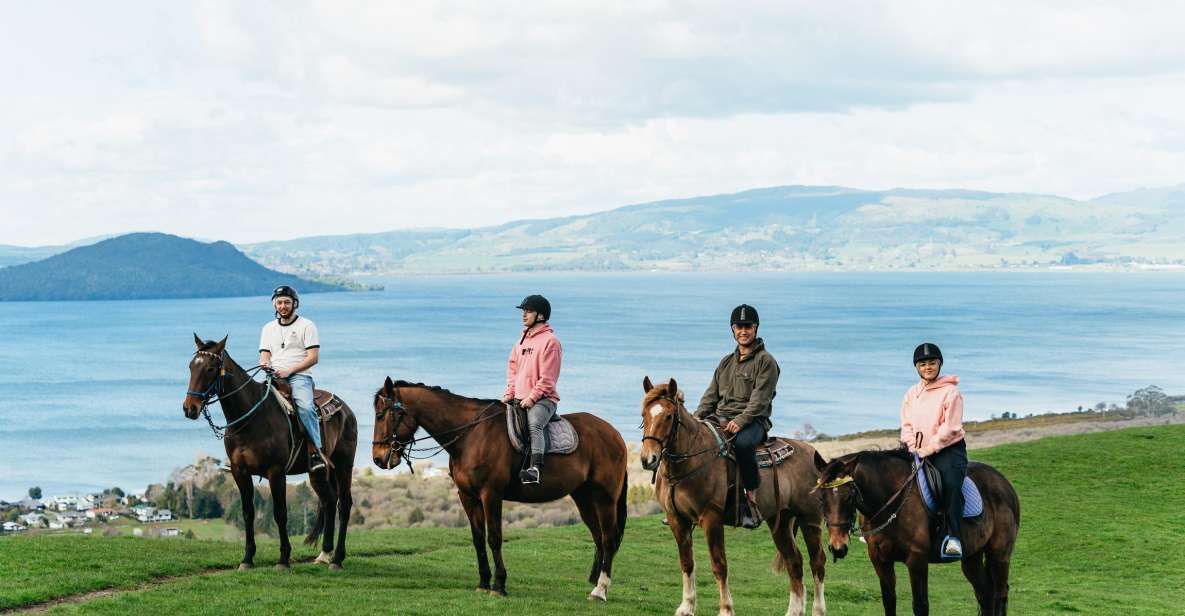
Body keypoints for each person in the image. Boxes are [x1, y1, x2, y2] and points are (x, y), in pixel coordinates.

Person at [694, 304, 779, 529]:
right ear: (732, 330)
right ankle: (690, 503)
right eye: (738, 326)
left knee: (742, 446)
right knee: (693, 442)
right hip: (720, 418)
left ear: (756, 328)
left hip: (754, 421)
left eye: (747, 326)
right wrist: (695, 419)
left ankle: (749, 502)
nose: (743, 331)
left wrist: (740, 421)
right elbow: (710, 396)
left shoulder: (766, 361)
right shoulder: (725, 362)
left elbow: (760, 401)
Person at [900, 342, 967, 560]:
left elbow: (951, 427)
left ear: (939, 364)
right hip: (917, 450)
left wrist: (929, 448)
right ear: (916, 367)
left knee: (950, 485)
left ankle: (954, 537)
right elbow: (906, 424)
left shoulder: (951, 392)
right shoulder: (912, 393)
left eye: (931, 363)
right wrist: (912, 446)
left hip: (948, 451)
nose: (927, 367)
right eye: (922, 364)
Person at [259, 285, 325, 473]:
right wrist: (265, 365)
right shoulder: (268, 328)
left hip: (299, 376)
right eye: (279, 302)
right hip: (274, 376)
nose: (283, 306)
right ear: (274, 305)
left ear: (295, 304)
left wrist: (289, 371)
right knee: (253, 403)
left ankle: (315, 452)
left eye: (287, 302)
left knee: (304, 407)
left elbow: (313, 357)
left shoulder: (307, 325)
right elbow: (264, 356)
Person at [502, 294, 562, 485]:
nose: (524, 315)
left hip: (544, 399)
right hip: (518, 397)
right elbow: (513, 370)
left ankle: (535, 469)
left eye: (528, 311)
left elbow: (548, 379)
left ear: (541, 316)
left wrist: (531, 398)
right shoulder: (521, 341)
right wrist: (509, 394)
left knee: (534, 423)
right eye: (524, 311)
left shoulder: (551, 342)